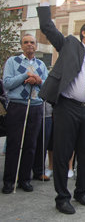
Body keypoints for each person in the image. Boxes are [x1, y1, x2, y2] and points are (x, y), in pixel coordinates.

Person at [37, 0, 85, 215]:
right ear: (83, 33)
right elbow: (47, 28)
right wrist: (44, 0)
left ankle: (82, 192)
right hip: (67, 107)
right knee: (62, 153)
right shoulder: (69, 44)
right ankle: (62, 197)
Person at [2, 34, 48, 194]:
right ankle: (9, 180)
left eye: (32, 42)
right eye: (26, 42)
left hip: (35, 107)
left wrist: (38, 81)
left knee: (30, 145)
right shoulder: (12, 62)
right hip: (17, 106)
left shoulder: (41, 64)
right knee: (14, 144)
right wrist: (25, 76)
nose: (29, 45)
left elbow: (47, 87)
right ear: (21, 45)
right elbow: (7, 83)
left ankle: (25, 179)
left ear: (36, 46)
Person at [32, 101, 53, 181]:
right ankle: (23, 172)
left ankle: (39, 171)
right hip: (32, 108)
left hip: (47, 113)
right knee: (28, 143)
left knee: (43, 143)